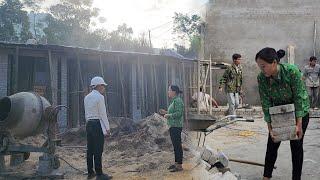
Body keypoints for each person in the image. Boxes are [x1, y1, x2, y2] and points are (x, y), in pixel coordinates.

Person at [255, 47, 309, 180]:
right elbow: (266, 102)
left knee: (296, 145)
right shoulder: (262, 77)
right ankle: (266, 177)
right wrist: (270, 128)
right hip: (278, 112)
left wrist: (298, 124)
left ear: (274, 62)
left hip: (299, 111)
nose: (262, 70)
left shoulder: (291, 71)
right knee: (272, 144)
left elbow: (299, 98)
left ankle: (296, 178)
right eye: (259, 67)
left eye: (264, 66)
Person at [84, 76, 112, 180]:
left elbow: (86, 114)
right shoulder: (100, 97)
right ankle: (99, 174)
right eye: (103, 86)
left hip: (89, 124)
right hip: (96, 124)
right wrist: (107, 128)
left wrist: (88, 124)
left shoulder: (86, 97)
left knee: (90, 149)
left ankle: (90, 172)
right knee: (98, 150)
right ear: (99, 86)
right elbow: (103, 114)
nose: (104, 88)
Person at [159, 85, 184, 172]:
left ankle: (179, 166)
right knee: (175, 146)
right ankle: (176, 163)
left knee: (177, 146)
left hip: (176, 126)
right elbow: (174, 112)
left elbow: (179, 113)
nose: (168, 92)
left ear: (173, 92)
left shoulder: (178, 101)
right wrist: (165, 112)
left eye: (169, 90)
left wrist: (168, 115)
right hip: (173, 126)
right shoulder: (174, 101)